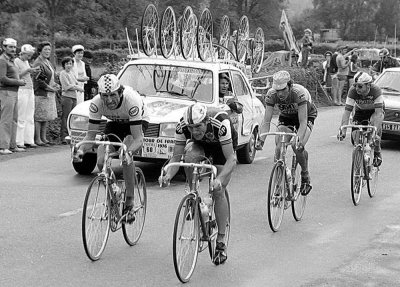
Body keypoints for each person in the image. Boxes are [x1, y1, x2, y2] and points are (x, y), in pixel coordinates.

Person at [159, 103, 236, 265]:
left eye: (198, 126)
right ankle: (194, 194)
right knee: (189, 156)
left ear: (206, 121)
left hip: (221, 148)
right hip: (200, 146)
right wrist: (168, 176)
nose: (195, 131)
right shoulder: (182, 127)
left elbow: (231, 159)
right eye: (191, 128)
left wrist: (219, 180)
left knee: (218, 191)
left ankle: (221, 242)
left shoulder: (221, 124)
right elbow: (176, 157)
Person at [74, 74, 148, 222]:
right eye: (105, 96)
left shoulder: (131, 100)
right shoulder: (96, 103)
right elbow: (90, 137)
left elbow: (138, 139)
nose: (109, 100)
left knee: (125, 154)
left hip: (136, 123)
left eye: (113, 95)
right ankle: (114, 190)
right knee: (101, 160)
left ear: (120, 92)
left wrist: (130, 152)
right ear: (99, 94)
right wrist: (81, 149)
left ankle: (130, 201)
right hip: (115, 123)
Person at [257, 70, 318, 196]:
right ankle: (279, 183)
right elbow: (266, 121)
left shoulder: (298, 93)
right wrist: (261, 140)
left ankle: (305, 175)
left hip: (305, 116)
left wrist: (298, 139)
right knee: (279, 147)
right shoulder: (271, 94)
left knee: (297, 146)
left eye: (283, 89)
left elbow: (302, 122)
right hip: (286, 118)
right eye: (277, 90)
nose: (279, 94)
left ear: (290, 86)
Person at [338, 71, 383, 166]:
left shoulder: (376, 90)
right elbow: (347, 112)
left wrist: (375, 131)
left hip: (374, 111)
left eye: (360, 86)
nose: (357, 88)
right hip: (360, 111)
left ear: (368, 85)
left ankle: (377, 152)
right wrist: (343, 130)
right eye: (355, 85)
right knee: (356, 138)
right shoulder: (353, 91)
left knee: (375, 134)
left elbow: (379, 114)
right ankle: (358, 169)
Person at [0, 38, 26, 155]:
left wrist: (18, 81)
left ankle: (12, 145)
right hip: (6, 92)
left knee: (14, 119)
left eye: (14, 47)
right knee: (6, 120)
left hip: (14, 92)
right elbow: (2, 79)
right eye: (10, 47)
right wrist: (18, 82)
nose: (13, 49)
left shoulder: (11, 60)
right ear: (4, 47)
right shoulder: (2, 60)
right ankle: (3, 146)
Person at [32, 41, 60, 146]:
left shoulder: (47, 62)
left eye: (49, 49)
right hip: (41, 92)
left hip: (49, 92)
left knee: (45, 117)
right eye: (45, 49)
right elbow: (38, 80)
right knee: (39, 117)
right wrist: (49, 88)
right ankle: (38, 139)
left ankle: (44, 138)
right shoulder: (38, 62)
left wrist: (56, 85)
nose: (48, 51)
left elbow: (51, 76)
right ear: (40, 50)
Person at [14, 44, 41, 149]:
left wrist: (34, 71)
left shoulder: (26, 62)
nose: (29, 57)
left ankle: (29, 139)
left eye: (31, 55)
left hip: (30, 89)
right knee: (21, 115)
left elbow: (28, 74)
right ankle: (19, 140)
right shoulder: (17, 61)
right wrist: (28, 70)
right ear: (23, 53)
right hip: (21, 89)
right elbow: (16, 76)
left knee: (30, 115)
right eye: (28, 54)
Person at [59, 56, 84, 144]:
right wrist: (77, 87)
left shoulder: (72, 73)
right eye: (67, 64)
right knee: (66, 116)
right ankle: (63, 136)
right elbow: (66, 87)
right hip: (66, 97)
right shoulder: (63, 73)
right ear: (63, 65)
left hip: (74, 97)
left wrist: (77, 86)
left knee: (72, 117)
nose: (69, 65)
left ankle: (71, 135)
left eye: (70, 63)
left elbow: (76, 83)